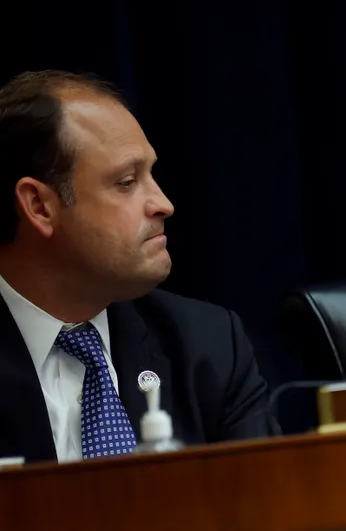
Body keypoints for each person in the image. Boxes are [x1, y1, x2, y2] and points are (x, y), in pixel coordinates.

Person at [0, 70, 271, 464]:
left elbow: (269, 512)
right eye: (127, 182)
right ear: (40, 206)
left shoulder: (208, 347)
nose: (163, 203)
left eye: (151, 175)